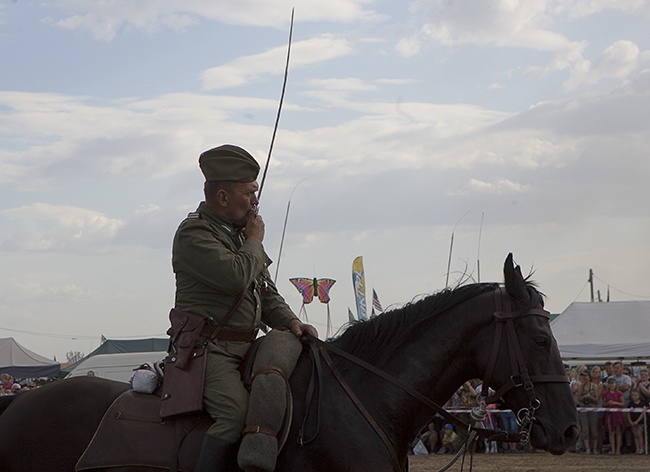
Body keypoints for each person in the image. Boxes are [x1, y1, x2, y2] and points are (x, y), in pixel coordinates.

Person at [171, 144, 317, 471]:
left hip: (248, 347)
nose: (255, 201)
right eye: (249, 192)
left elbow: (265, 293)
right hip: (209, 352)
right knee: (235, 415)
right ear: (222, 197)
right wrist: (254, 242)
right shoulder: (194, 233)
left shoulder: (239, 235)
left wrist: (292, 321)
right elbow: (236, 277)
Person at [576, 370, 600, 454]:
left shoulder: (595, 386)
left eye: (586, 376)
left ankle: (595, 448)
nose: (584, 378)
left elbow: (597, 399)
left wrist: (590, 397)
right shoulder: (580, 387)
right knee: (585, 429)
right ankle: (587, 448)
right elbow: (578, 399)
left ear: (589, 377)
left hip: (592, 408)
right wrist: (584, 397)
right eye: (583, 376)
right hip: (583, 409)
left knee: (594, 429)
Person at [603, 377, 626, 455]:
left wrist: (615, 403)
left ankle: (618, 449)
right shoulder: (606, 394)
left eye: (612, 383)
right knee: (611, 432)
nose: (611, 385)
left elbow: (623, 404)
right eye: (610, 383)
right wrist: (608, 403)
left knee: (618, 431)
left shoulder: (619, 393)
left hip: (617, 413)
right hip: (609, 413)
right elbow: (603, 404)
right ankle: (613, 449)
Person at [626, 388, 647, 454]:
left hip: (639, 422)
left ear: (639, 396)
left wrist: (637, 421)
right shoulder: (630, 404)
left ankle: (642, 448)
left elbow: (643, 414)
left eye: (635, 395)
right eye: (633, 395)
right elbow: (628, 413)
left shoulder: (642, 404)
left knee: (639, 435)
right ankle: (637, 448)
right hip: (632, 421)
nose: (634, 397)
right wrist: (630, 421)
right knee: (635, 435)